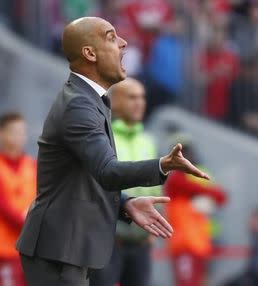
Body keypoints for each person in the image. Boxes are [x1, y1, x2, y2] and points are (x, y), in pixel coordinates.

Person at [16, 17, 209, 286]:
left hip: (70, 246)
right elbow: (107, 171)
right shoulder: (79, 106)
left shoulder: (90, 100)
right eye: (111, 37)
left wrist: (126, 203)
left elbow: (84, 179)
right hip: (59, 249)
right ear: (90, 53)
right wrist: (163, 165)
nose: (123, 42)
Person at [89, 78, 160, 286]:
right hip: (108, 242)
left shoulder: (147, 141)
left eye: (142, 97)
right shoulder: (101, 137)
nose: (140, 103)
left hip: (141, 243)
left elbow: (156, 189)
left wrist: (152, 230)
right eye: (132, 97)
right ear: (116, 100)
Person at [164, 139, 227, 286]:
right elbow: (218, 195)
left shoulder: (187, 180)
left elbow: (220, 197)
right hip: (185, 245)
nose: (185, 157)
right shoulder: (175, 181)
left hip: (198, 245)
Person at [0, 113, 36, 286]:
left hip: (29, 249)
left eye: (22, 132)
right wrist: (28, 222)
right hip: (5, 248)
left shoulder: (32, 165)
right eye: (13, 131)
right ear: (2, 134)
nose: (19, 136)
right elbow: (3, 206)